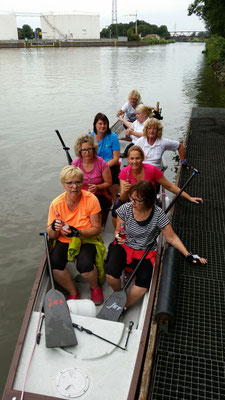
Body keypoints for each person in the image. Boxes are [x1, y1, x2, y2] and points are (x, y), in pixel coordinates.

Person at [105, 180, 207, 308]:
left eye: (137, 200)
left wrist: (189, 255)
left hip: (145, 250)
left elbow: (172, 237)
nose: (132, 202)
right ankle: (118, 294)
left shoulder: (158, 214)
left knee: (142, 286)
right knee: (110, 274)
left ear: (148, 201)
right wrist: (118, 236)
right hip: (125, 245)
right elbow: (119, 229)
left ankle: (123, 305)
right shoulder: (125, 209)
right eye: (132, 198)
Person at [47, 165, 104, 305]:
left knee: (84, 265)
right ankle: (73, 291)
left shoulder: (91, 199)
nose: (74, 186)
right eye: (70, 183)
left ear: (82, 183)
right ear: (63, 184)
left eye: (78, 182)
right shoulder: (56, 203)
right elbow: (51, 235)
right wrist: (54, 227)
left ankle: (95, 287)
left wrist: (78, 232)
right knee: (54, 265)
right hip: (65, 239)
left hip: (86, 237)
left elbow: (96, 229)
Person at [111, 146, 203, 225]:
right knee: (115, 211)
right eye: (132, 159)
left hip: (148, 201)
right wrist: (125, 191)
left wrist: (189, 197)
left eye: (137, 158)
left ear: (142, 158)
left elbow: (170, 186)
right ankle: (118, 236)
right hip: (132, 201)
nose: (135, 162)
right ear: (128, 159)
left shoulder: (152, 170)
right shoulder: (124, 172)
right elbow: (123, 198)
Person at [72, 134, 112, 224]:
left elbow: (108, 182)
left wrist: (97, 187)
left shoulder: (101, 163)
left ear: (93, 149)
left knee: (95, 205)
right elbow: (72, 184)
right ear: (80, 151)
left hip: (99, 195)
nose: (87, 153)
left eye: (89, 149)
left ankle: (96, 226)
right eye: (84, 150)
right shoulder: (75, 164)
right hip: (80, 195)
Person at [91, 112, 120, 201]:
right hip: (95, 165)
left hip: (109, 164)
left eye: (105, 124)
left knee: (112, 171)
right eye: (100, 124)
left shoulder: (113, 137)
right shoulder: (90, 138)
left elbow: (116, 159)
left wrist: (103, 167)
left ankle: (115, 197)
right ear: (95, 125)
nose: (102, 126)